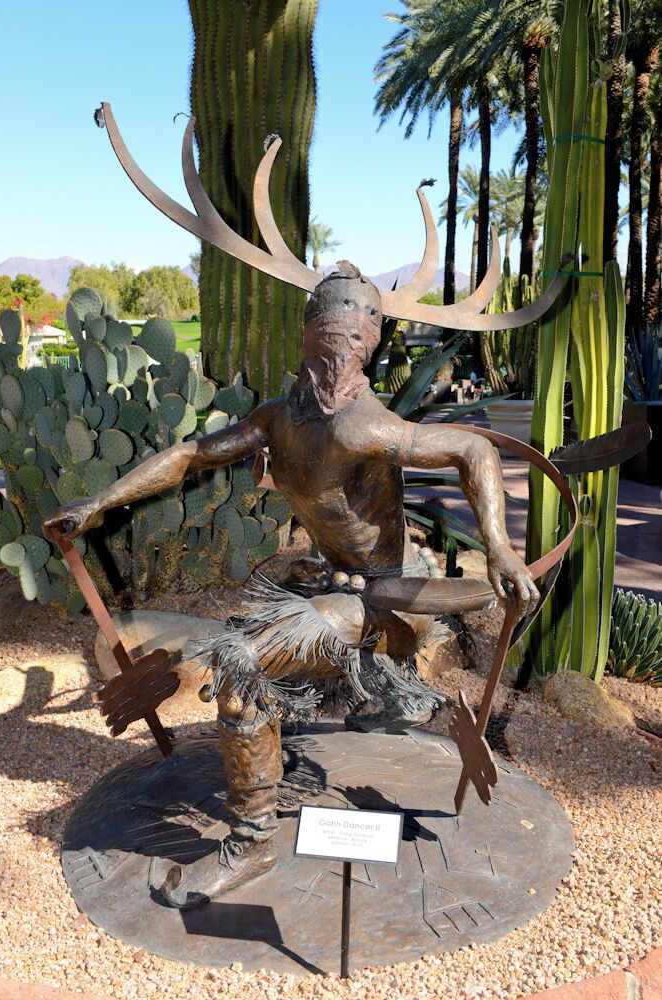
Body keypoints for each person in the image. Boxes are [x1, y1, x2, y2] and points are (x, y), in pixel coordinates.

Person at [43, 262, 538, 909]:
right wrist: (99, 502)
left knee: (241, 661)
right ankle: (379, 712)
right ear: (307, 335)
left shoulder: (370, 426)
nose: (337, 353)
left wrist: (498, 546)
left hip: (388, 603)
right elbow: (194, 454)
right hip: (327, 588)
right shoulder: (278, 419)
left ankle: (251, 843)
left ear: (368, 345)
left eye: (351, 340)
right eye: (328, 336)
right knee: (246, 657)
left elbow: (473, 451)